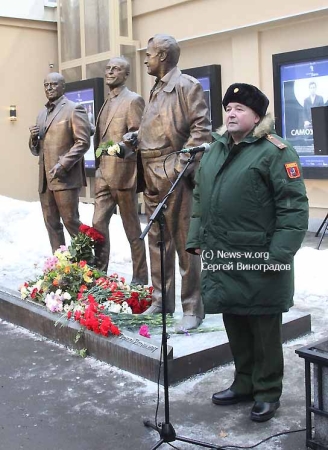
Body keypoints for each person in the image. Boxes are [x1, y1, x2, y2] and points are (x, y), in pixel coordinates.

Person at [186, 83, 309, 422]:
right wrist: (195, 238)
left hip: (261, 257)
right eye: (228, 107)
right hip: (223, 255)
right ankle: (243, 383)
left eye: (240, 108)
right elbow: (200, 199)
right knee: (235, 318)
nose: (231, 113)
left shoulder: (276, 151)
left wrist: (279, 254)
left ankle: (268, 391)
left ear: (257, 116)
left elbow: (294, 208)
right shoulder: (215, 150)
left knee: (263, 325)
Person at [123, 34, 211, 331]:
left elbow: (201, 131)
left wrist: (179, 167)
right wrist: (138, 137)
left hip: (174, 173)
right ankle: (162, 300)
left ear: (162, 56)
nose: (145, 59)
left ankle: (192, 307)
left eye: (148, 54)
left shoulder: (187, 85)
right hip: (149, 171)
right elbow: (157, 127)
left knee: (185, 243)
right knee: (157, 241)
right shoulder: (156, 89)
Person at [92, 57, 148, 284]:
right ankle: (99, 272)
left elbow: (138, 136)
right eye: (108, 68)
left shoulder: (133, 100)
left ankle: (140, 276)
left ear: (126, 75)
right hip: (103, 174)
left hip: (124, 174)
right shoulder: (106, 102)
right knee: (97, 223)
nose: (110, 72)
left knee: (131, 228)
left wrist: (123, 147)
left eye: (116, 69)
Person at [29, 72, 91, 253]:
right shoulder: (41, 114)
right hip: (45, 179)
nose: (49, 88)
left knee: (71, 221)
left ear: (63, 87)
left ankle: (88, 261)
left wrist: (63, 164)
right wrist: (33, 139)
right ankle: (60, 264)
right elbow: (36, 150)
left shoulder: (74, 109)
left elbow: (83, 142)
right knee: (51, 223)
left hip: (66, 177)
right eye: (46, 85)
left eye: (53, 84)